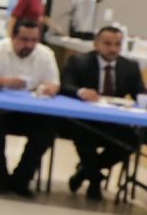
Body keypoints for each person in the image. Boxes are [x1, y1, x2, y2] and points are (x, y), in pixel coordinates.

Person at [0, 20, 61, 198]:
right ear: (12, 37)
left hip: (32, 112)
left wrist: (49, 89)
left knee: (48, 128)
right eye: (24, 39)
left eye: (33, 40)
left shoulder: (46, 54)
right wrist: (3, 82)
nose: (29, 45)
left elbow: (54, 84)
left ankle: (22, 178)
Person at [60, 25, 145, 200]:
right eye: (107, 44)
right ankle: (95, 180)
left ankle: (86, 172)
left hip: (114, 120)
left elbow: (140, 93)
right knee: (83, 133)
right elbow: (65, 85)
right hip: (85, 119)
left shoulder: (130, 66)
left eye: (117, 44)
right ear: (96, 44)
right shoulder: (78, 61)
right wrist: (81, 92)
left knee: (131, 140)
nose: (113, 49)